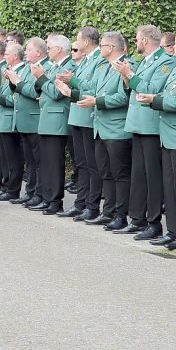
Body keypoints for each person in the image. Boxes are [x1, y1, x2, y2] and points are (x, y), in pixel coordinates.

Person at [112, 25, 176, 238]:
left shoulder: (166, 61)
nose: (136, 42)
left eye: (138, 39)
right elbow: (132, 88)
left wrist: (129, 73)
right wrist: (126, 76)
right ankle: (138, 218)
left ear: (146, 41)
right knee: (138, 174)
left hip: (151, 125)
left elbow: (152, 90)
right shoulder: (145, 61)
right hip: (138, 123)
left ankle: (153, 222)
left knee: (153, 176)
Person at [75, 32, 133, 230]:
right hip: (101, 128)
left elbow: (123, 98)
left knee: (120, 174)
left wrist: (97, 101)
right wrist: (72, 85)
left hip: (117, 129)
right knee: (105, 172)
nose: (100, 48)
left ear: (111, 48)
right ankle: (108, 212)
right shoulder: (104, 66)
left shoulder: (125, 65)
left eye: (102, 45)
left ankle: (120, 215)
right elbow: (92, 87)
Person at [139, 32, 176, 249]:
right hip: (168, 134)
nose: (173, 47)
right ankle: (174, 231)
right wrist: (159, 99)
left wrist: (156, 99)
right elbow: (172, 96)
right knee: (170, 186)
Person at [54, 27, 104, 220]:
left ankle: (91, 205)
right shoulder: (86, 60)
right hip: (77, 114)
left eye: (78, 39)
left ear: (85, 42)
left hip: (88, 115)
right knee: (81, 164)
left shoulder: (99, 60)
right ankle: (81, 202)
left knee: (92, 165)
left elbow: (94, 86)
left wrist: (73, 80)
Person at [26, 34, 73, 214]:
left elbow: (56, 93)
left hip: (57, 118)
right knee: (45, 162)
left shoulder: (68, 66)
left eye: (50, 47)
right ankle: (47, 197)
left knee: (53, 162)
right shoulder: (55, 66)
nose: (47, 49)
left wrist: (41, 78)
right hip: (46, 117)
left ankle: (54, 200)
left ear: (59, 49)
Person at [4, 38, 47, 206]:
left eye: (28, 50)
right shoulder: (29, 68)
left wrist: (17, 82)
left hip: (34, 119)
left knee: (38, 161)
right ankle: (31, 191)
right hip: (25, 121)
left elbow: (35, 93)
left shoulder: (41, 68)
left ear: (38, 52)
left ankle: (39, 193)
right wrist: (15, 82)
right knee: (30, 161)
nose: (25, 53)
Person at [0, 43, 25, 202]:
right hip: (3, 119)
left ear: (15, 56)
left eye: (7, 54)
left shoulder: (21, 71)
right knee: (5, 158)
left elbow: (17, 99)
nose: (4, 56)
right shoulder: (8, 71)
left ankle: (13, 189)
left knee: (13, 158)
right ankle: (6, 186)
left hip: (12, 119)